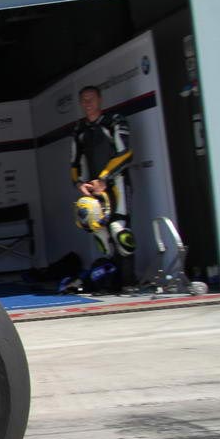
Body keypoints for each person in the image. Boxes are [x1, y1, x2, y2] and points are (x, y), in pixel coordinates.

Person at [71, 84, 135, 290]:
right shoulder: (79, 129)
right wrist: (79, 183)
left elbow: (125, 154)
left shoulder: (114, 121)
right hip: (93, 189)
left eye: (91, 98)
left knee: (119, 231)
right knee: (101, 234)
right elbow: (75, 161)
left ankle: (129, 283)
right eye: (84, 100)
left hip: (117, 185)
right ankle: (111, 281)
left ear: (100, 100)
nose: (88, 103)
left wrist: (104, 178)